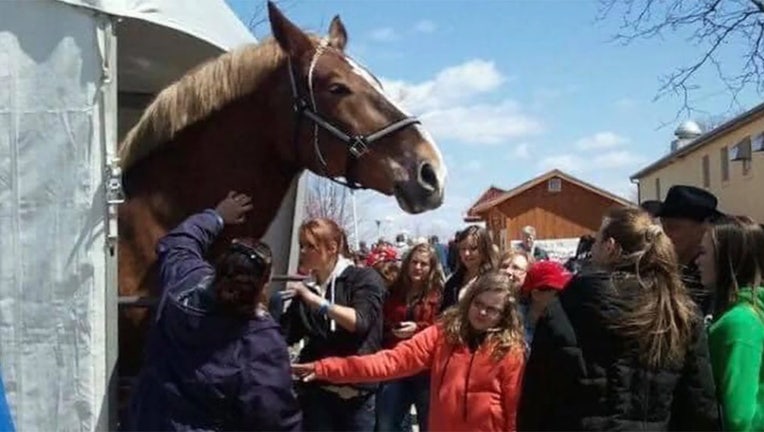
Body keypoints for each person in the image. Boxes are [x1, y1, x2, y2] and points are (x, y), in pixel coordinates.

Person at [518, 207, 719, 431]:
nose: (592, 248)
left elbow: (535, 405)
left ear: (610, 247)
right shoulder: (678, 311)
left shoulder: (567, 307)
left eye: (596, 241)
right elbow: (699, 407)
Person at [127, 192, 302, 431]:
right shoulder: (261, 342)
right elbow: (276, 420)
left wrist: (217, 216)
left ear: (219, 266)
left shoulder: (185, 283)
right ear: (264, 284)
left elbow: (178, 242)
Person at [293, 272, 526, 432]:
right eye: (478, 304)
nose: (482, 313)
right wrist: (326, 368)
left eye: (492, 309)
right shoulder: (443, 334)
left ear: (504, 315)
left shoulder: (510, 351)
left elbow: (515, 410)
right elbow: (388, 363)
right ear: (469, 302)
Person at [280, 218, 385, 432]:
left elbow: (359, 321)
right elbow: (285, 335)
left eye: (310, 246)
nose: (302, 251)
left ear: (332, 248)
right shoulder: (307, 289)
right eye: (301, 245)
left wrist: (317, 302)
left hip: (355, 396)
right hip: (317, 393)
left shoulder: (363, 278)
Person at [696, 216, 764, 431]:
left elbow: (738, 418)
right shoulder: (749, 311)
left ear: (727, 259)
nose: (697, 260)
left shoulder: (738, 324)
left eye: (704, 252)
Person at [377, 242, 444, 432]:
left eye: (424, 264)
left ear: (431, 268)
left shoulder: (438, 294)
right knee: (386, 424)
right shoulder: (393, 291)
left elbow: (441, 327)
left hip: (425, 368)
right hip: (396, 364)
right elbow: (382, 320)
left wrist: (417, 329)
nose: (418, 267)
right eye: (414, 262)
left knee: (428, 425)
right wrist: (393, 329)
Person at [657, 185, 723, 318]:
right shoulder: (659, 270)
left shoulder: (716, 277)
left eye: (673, 227)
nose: (664, 235)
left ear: (705, 228)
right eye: (662, 226)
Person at [439, 225, 498, 312]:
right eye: (463, 249)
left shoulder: (494, 281)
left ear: (484, 250)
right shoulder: (453, 282)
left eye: (473, 248)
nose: (466, 253)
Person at [519, 261, 572, 348]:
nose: (567, 296)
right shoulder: (511, 329)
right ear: (536, 294)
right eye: (559, 293)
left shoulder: (568, 327)